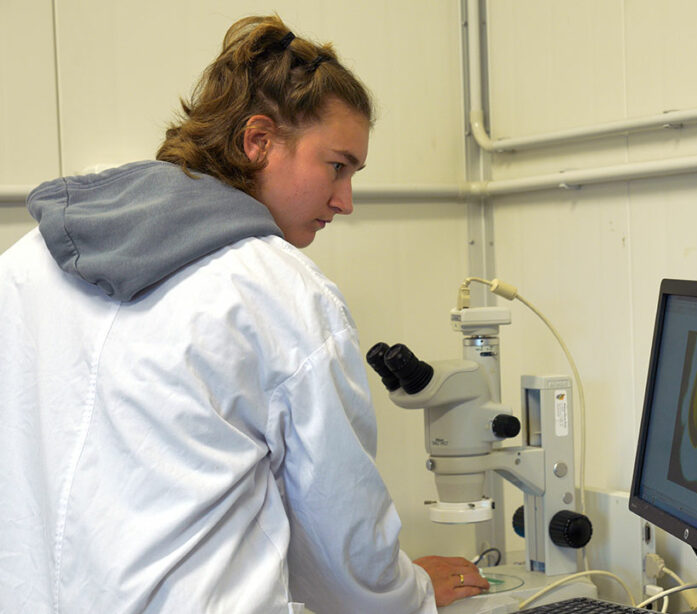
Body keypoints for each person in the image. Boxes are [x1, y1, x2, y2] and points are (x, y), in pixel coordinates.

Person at [0, 14, 488, 613]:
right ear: (258, 140)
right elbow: (342, 541)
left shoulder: (30, 262)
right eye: (337, 165)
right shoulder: (279, 291)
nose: (347, 201)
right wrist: (410, 592)